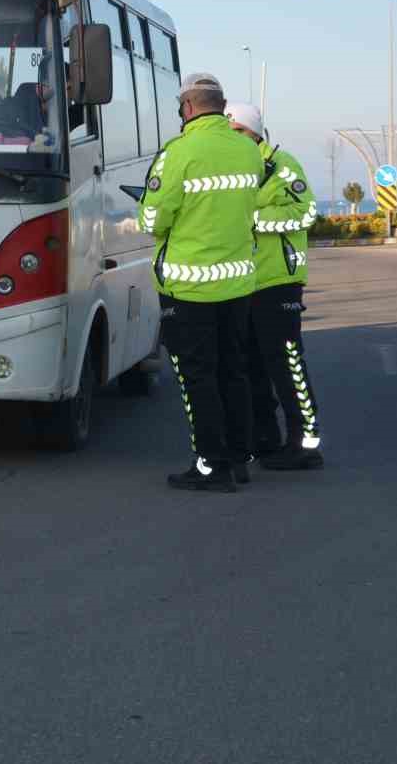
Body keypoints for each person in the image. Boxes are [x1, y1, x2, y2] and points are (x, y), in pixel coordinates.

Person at [136, 72, 263, 492]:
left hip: (188, 287)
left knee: (198, 379)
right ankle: (240, 458)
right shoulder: (248, 151)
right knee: (234, 372)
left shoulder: (178, 152)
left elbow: (153, 219)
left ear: (187, 107)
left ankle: (211, 466)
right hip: (238, 284)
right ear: (222, 107)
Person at [225, 101, 324, 470]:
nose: (235, 138)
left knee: (287, 363)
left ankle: (305, 444)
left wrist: (250, 218)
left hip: (278, 281)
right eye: (229, 132)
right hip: (239, 282)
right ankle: (264, 437)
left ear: (256, 133)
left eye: (240, 131)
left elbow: (306, 211)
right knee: (250, 364)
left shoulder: (282, 165)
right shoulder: (227, 170)